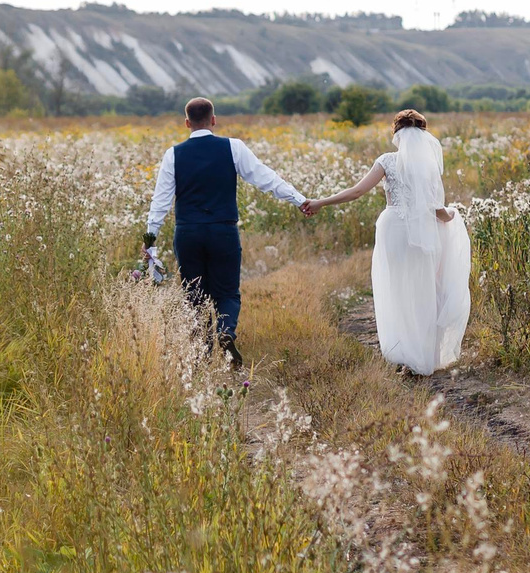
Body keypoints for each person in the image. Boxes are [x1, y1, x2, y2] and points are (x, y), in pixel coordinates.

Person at [302, 108, 471, 374]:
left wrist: (322, 202)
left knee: (398, 290)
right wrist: (453, 214)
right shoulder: (428, 166)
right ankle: (424, 355)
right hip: (424, 232)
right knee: (423, 290)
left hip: (393, 231)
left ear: (396, 132)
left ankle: (406, 355)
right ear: (423, 133)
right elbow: (438, 211)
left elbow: (357, 191)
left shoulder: (387, 161)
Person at [144, 96, 306, 366]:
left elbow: (160, 201)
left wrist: (149, 240)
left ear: (186, 123)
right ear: (214, 120)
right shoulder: (233, 147)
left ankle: (203, 351)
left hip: (188, 233)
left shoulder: (173, 154)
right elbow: (265, 177)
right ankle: (225, 331)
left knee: (193, 292)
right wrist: (299, 199)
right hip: (223, 230)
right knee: (227, 291)